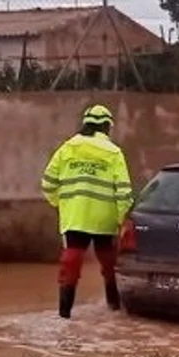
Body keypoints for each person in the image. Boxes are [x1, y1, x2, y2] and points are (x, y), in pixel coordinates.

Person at [40, 103, 133, 319]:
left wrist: (61, 204)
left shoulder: (67, 148)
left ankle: (64, 315)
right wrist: (121, 220)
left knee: (70, 263)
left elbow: (47, 183)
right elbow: (124, 192)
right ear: (107, 127)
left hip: (75, 218)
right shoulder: (113, 152)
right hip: (105, 220)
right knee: (109, 265)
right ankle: (114, 308)